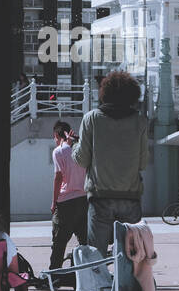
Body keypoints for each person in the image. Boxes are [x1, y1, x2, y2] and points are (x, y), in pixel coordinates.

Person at [72, 71, 150, 255]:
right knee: (132, 254)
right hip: (131, 197)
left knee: (96, 254)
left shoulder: (91, 119)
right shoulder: (140, 121)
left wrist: (74, 145)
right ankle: (127, 284)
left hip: (100, 196)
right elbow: (143, 163)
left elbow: (82, 159)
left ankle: (100, 283)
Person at [49, 121, 89, 271]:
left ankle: (54, 273)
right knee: (85, 241)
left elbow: (58, 178)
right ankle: (87, 272)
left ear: (56, 135)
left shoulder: (58, 151)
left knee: (59, 242)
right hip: (84, 199)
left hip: (66, 202)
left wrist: (53, 202)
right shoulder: (82, 150)